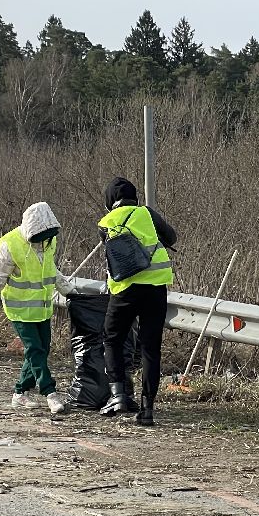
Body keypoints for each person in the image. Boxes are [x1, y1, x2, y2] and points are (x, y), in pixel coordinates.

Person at [96, 177, 177, 426]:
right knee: (151, 348)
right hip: (155, 287)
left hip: (125, 290)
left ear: (110, 201)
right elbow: (171, 237)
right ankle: (147, 408)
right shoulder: (147, 214)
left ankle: (118, 395)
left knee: (113, 339)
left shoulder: (105, 222)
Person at [0, 202, 71, 414]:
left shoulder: (50, 241)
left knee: (41, 350)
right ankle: (50, 393)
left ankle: (20, 392)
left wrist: (70, 291)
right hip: (18, 309)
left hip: (42, 307)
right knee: (35, 350)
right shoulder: (10, 245)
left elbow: (50, 269)